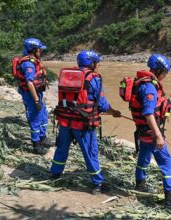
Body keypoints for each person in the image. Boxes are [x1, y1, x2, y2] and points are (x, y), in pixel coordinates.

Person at [50, 50, 121, 195]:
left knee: (62, 149)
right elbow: (102, 105)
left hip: (64, 121)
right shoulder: (93, 78)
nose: (98, 66)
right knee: (90, 153)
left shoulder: (68, 75)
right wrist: (114, 112)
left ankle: (55, 174)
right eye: (97, 63)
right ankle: (98, 184)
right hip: (82, 124)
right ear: (92, 63)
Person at [130, 54, 171, 211]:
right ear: (159, 70)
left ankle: (140, 184)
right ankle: (170, 203)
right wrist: (158, 136)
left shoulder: (142, 83)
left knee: (144, 157)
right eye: (165, 73)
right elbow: (148, 114)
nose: (165, 76)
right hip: (151, 133)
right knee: (168, 164)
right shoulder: (150, 87)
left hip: (143, 132)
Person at [13, 38, 50, 155]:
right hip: (31, 94)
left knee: (44, 114)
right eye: (39, 49)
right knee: (36, 117)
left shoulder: (35, 60)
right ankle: (36, 144)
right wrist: (36, 100)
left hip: (36, 92)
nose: (41, 51)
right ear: (33, 50)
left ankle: (43, 137)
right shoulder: (28, 64)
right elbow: (29, 83)